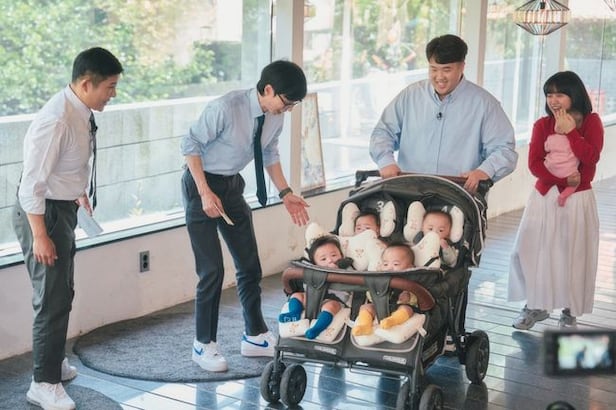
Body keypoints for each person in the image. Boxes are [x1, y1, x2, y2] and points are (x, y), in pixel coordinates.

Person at [180, 60, 310, 372]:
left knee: (249, 265)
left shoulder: (275, 115)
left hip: (231, 186)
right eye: (287, 102)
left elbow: (269, 152)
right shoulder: (226, 107)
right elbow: (190, 145)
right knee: (211, 270)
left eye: (293, 105)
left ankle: (254, 335)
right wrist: (204, 192)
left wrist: (285, 192)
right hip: (200, 184)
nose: (288, 109)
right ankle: (203, 344)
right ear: (269, 89)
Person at [11, 47, 123, 410]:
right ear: (87, 83)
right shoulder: (56, 119)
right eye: (109, 87)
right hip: (42, 214)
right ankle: (43, 383)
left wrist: (77, 191)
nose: (113, 94)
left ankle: (52, 361)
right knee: (51, 299)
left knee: (63, 293)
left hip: (62, 208)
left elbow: (65, 164)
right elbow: (31, 186)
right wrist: (40, 235)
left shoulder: (79, 111)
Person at [508, 71, 604, 330]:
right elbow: (534, 164)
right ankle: (536, 305)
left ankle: (569, 311)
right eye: (549, 95)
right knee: (533, 249)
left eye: (560, 94)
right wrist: (563, 181)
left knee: (573, 253)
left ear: (574, 95)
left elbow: (591, 158)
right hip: (544, 196)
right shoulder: (542, 125)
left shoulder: (591, 122)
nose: (553, 100)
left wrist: (571, 133)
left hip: (578, 200)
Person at [369, 34, 518, 193]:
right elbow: (383, 132)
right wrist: (386, 161)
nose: (439, 77)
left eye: (447, 70)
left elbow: (504, 149)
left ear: (462, 67)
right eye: (433, 69)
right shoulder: (409, 96)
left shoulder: (485, 104)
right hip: (409, 192)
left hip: (459, 195)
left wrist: (484, 171)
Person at [279, 235, 350, 339]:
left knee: (331, 306)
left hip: (334, 299)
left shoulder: (346, 269)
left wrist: (338, 269)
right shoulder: (312, 271)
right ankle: (294, 313)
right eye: (323, 259)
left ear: (341, 255)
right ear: (315, 263)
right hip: (312, 297)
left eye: (334, 255)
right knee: (296, 295)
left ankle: (316, 329)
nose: (330, 260)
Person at [353, 242, 417, 336]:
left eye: (396, 264)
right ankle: (365, 326)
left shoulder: (411, 280)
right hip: (380, 306)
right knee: (365, 307)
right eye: (385, 264)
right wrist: (374, 293)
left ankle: (392, 321)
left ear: (410, 267)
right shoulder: (379, 279)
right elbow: (370, 295)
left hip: (399, 307)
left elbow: (419, 297)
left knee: (407, 309)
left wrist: (409, 297)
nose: (389, 268)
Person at [544, 133, 580, 206]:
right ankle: (563, 195)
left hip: (551, 168)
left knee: (547, 162)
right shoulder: (573, 139)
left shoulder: (551, 138)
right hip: (567, 170)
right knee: (576, 181)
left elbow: (546, 148)